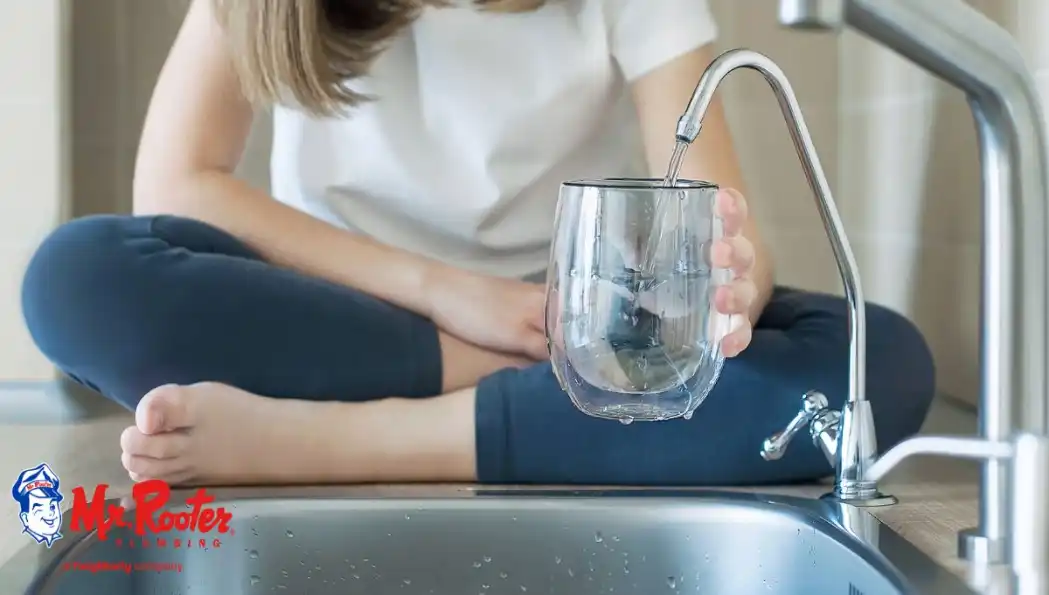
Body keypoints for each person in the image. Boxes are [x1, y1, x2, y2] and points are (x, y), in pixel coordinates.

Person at [21, 0, 934, 487]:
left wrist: (728, 286)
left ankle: (326, 443)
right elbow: (177, 184)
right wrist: (442, 290)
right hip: (345, 320)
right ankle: (520, 407)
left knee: (871, 362)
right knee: (75, 279)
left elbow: (714, 207)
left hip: (577, 330)